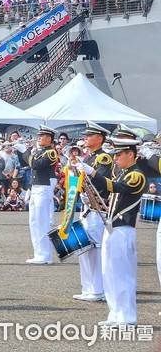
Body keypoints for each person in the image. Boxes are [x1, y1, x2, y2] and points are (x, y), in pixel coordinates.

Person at [78, 137, 145, 326]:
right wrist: (90, 198)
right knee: (109, 272)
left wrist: (93, 174)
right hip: (111, 227)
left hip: (123, 229)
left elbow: (116, 187)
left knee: (122, 273)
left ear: (130, 154)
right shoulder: (123, 173)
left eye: (119, 154)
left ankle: (127, 316)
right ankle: (115, 313)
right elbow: (111, 200)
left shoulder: (136, 175)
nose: (115, 158)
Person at [73, 121, 112, 302]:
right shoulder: (88, 158)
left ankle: (97, 289)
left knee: (95, 249)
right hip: (86, 207)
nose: (85, 138)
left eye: (90, 135)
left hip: (97, 208)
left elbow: (102, 183)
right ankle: (87, 287)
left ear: (100, 138)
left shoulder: (103, 158)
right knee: (83, 248)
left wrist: (90, 173)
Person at [15, 125, 58, 264]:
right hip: (35, 187)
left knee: (42, 222)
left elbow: (35, 164)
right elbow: (25, 163)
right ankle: (38, 253)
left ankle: (46, 255)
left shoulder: (51, 152)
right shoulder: (40, 151)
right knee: (33, 222)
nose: (39, 138)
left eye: (42, 136)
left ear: (49, 138)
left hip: (43, 188)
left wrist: (26, 150)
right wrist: (20, 151)